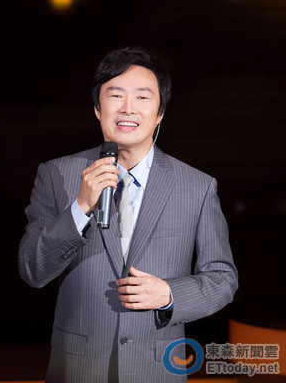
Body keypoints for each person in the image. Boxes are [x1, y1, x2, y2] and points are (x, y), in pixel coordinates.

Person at [18, 46, 238, 382]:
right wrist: (80, 207)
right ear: (97, 108)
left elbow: (222, 278)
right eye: (115, 95)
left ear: (160, 112)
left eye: (142, 97)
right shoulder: (56, 175)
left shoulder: (197, 186)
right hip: (78, 369)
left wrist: (169, 294)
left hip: (157, 369)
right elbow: (32, 270)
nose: (128, 108)